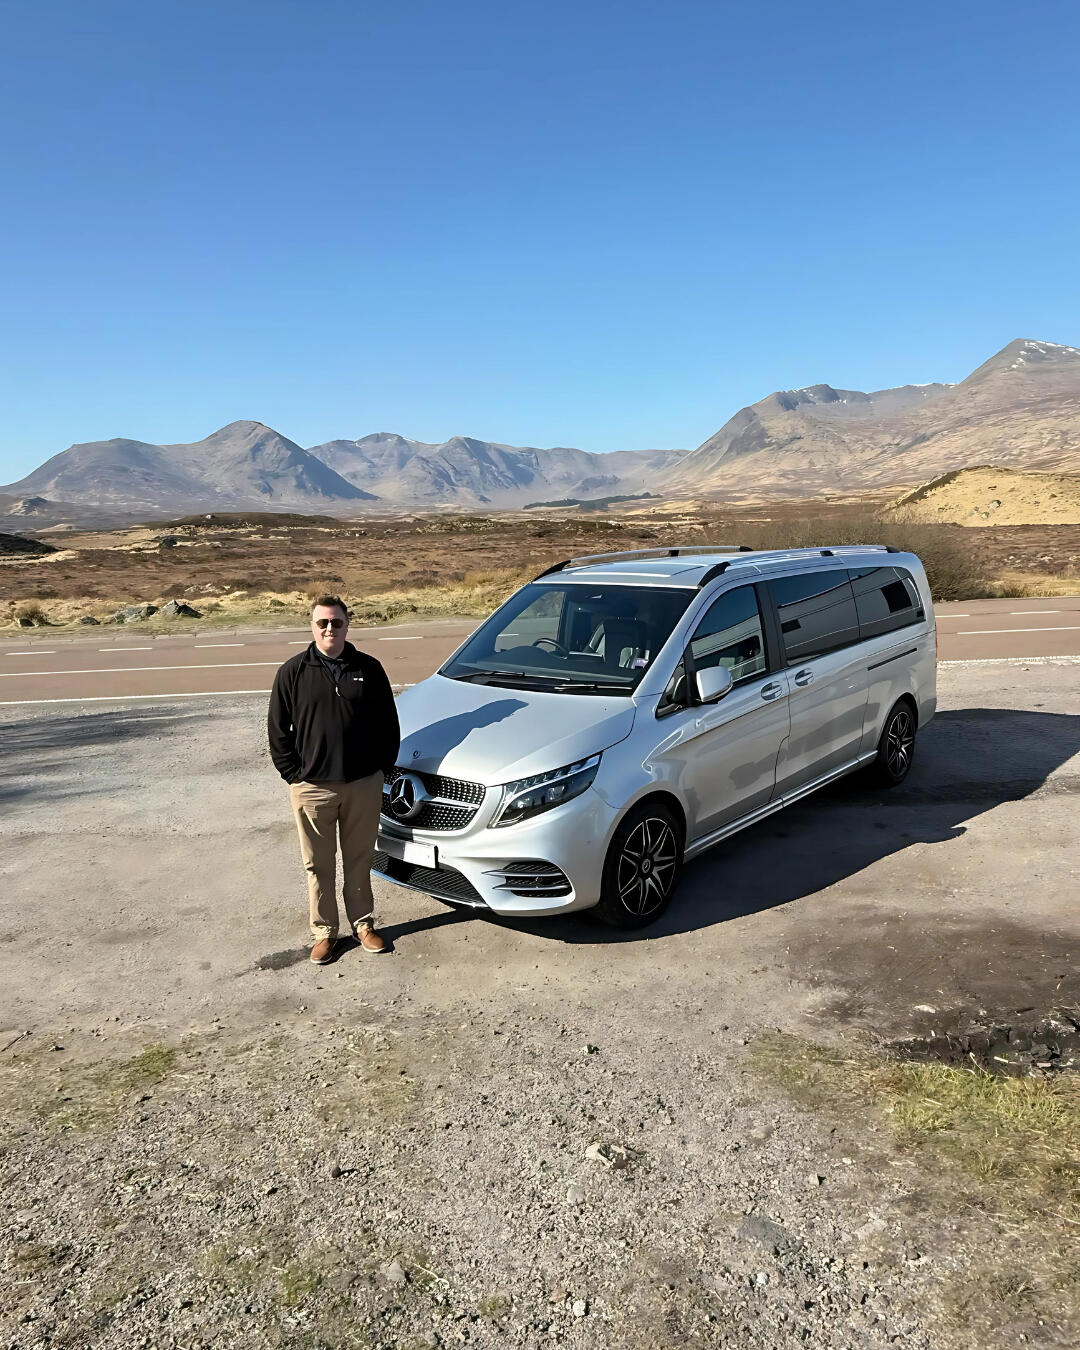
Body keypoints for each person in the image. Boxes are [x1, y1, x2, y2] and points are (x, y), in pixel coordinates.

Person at [268, 595, 400, 964]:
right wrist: (294, 775)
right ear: (312, 626)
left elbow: (389, 724)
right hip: (312, 787)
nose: (329, 629)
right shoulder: (293, 672)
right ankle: (325, 932)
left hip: (362, 785)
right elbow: (278, 731)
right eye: (322, 623)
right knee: (318, 864)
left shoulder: (369, 669)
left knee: (359, 859)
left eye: (336, 623)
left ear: (347, 625)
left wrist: (380, 771)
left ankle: (363, 925)